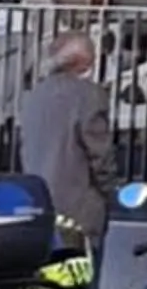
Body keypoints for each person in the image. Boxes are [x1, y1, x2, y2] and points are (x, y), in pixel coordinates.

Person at [16, 32, 117, 247]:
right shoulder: (90, 95)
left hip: (40, 204)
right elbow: (100, 156)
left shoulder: (35, 96)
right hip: (79, 210)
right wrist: (110, 192)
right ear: (84, 61)